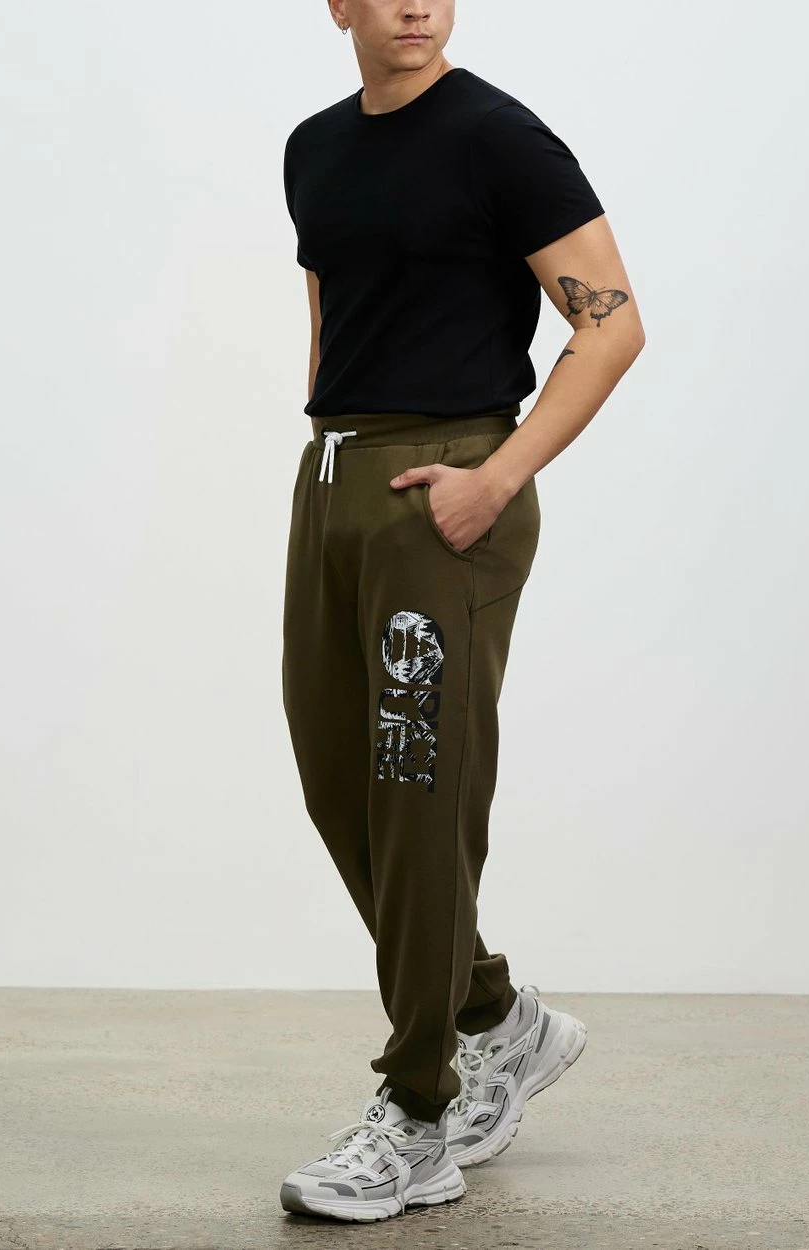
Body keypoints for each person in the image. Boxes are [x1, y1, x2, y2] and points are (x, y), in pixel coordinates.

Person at [278, 0, 645, 1223]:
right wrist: (328, 453)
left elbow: (611, 322)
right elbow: (332, 315)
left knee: (418, 795)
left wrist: (497, 475)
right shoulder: (314, 147)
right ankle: (495, 1014)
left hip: (449, 492)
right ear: (338, 4)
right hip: (336, 482)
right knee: (343, 785)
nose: (416, 4)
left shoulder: (498, 137)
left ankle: (419, 1112)